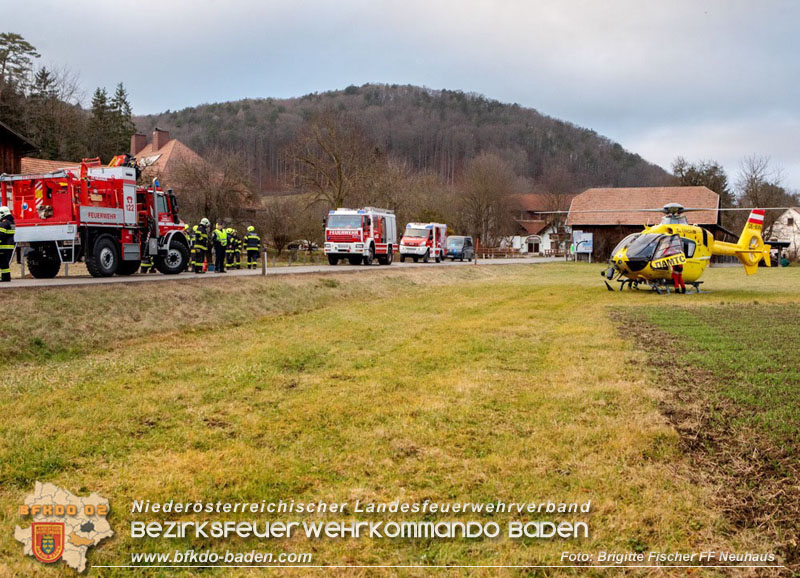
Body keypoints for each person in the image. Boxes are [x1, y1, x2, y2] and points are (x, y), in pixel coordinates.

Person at [0, 206, 15, 282]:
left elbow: (1, 235)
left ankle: (5, 278)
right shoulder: (11, 222)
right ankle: (6, 277)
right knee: (4, 264)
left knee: (3, 263)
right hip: (9, 246)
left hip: (3, 246)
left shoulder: (4, 223)